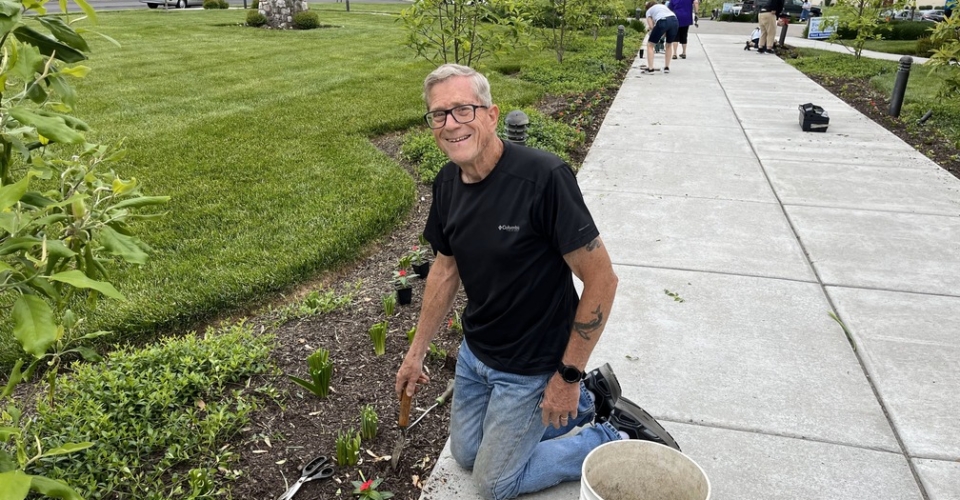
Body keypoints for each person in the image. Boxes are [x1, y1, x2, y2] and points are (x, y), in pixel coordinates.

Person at [395, 64, 680, 500]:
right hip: (477, 355)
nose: (451, 124)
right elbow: (445, 268)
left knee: (493, 485)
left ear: (492, 116)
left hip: (532, 365)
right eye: (439, 114)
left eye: (463, 110)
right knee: (466, 456)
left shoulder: (543, 179)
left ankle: (607, 433)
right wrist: (415, 354)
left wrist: (566, 378)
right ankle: (589, 400)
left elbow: (602, 280)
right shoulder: (448, 183)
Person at [644, 0, 679, 72]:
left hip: (662, 21)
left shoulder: (649, 11)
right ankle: (666, 67)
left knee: (650, 45)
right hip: (674, 21)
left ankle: (650, 68)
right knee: (669, 44)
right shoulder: (663, 6)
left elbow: (651, 27)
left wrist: (652, 33)